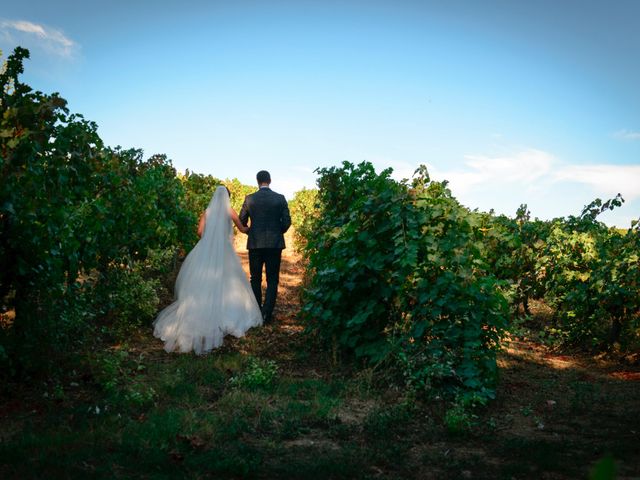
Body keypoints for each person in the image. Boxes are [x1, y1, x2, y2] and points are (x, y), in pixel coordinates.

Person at [153, 186, 262, 354]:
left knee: (201, 282)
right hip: (225, 251)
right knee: (229, 282)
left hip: (204, 249)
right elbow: (242, 228)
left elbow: (199, 231)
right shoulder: (229, 210)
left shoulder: (207, 212)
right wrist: (254, 229)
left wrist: (210, 240)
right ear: (227, 197)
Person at [239, 170, 291, 324]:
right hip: (274, 244)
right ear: (270, 180)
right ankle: (267, 314)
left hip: (255, 243)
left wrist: (250, 231)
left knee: (255, 278)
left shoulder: (250, 199)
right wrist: (277, 231)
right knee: (272, 279)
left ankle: (256, 313)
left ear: (257, 181)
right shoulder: (280, 199)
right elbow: (287, 221)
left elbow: (242, 220)